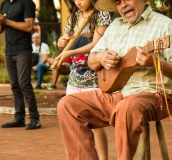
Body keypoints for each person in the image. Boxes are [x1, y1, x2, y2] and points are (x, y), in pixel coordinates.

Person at [57, 0, 172, 159]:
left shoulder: (165, 25)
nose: (123, 5)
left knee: (126, 108)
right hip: (116, 95)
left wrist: (155, 63)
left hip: (153, 95)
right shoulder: (115, 26)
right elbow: (92, 60)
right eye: (118, 2)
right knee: (67, 105)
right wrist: (101, 57)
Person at [54, 0, 112, 159]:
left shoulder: (102, 15)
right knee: (74, 120)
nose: (78, 2)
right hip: (75, 77)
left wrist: (69, 53)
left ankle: (103, 158)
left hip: (94, 75)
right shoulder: (73, 17)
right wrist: (62, 42)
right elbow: (66, 38)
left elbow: (96, 44)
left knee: (95, 124)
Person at [0, 0, 41, 130]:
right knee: (15, 86)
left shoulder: (27, 3)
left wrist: (6, 21)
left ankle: (35, 119)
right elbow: (0, 30)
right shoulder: (4, 4)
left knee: (24, 84)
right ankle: (19, 118)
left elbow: (29, 26)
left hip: (23, 50)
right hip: (9, 51)